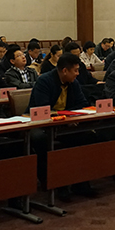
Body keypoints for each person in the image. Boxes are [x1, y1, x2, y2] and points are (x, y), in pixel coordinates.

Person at [27, 53, 95, 200]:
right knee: (40, 139)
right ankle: (56, 184)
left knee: (87, 136)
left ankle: (81, 182)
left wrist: (69, 116)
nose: (78, 74)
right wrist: (66, 116)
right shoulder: (44, 81)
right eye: (75, 70)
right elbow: (43, 109)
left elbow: (82, 103)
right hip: (40, 124)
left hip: (63, 123)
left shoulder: (73, 82)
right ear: (65, 70)